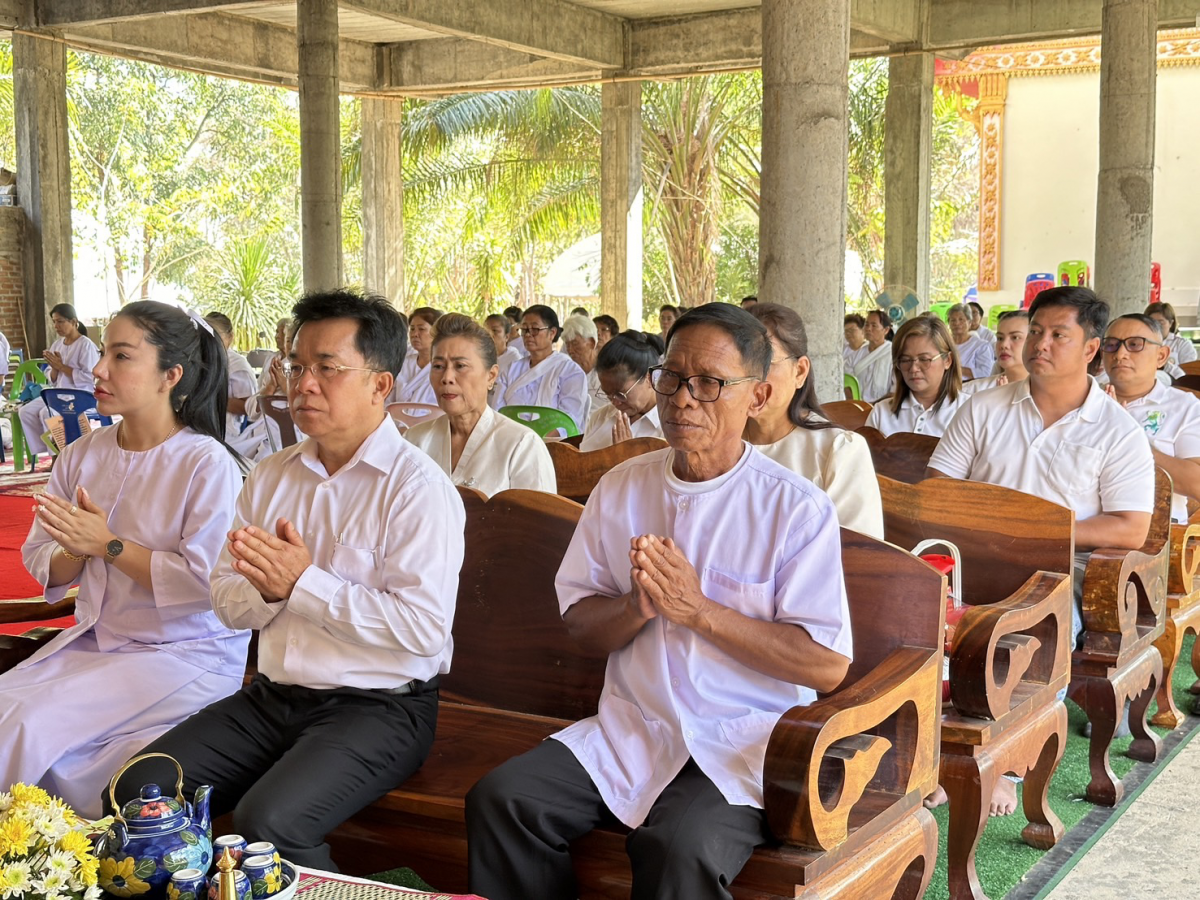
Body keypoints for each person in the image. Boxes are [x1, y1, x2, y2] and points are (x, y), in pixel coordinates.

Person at [466, 303, 852, 900]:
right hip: (633, 730)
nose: (682, 399)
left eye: (710, 384)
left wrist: (698, 610)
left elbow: (826, 664)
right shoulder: (622, 488)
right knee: (504, 801)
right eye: (671, 378)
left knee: (678, 848)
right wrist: (636, 608)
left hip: (742, 741)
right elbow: (580, 624)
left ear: (758, 396)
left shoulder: (793, 507)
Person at [126, 289, 464, 870]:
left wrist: (303, 583)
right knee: (140, 791)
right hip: (272, 699)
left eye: (327, 369)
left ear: (381, 386)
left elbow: (423, 631)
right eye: (297, 366)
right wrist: (267, 589)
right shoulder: (270, 476)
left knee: (270, 825)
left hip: (379, 708)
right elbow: (227, 602)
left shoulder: (416, 488)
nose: (303, 384)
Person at [1, 301, 247, 818]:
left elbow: (208, 587)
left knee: (27, 721)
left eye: (121, 356)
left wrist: (108, 545)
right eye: (104, 352)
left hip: (183, 653)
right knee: (9, 706)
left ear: (170, 376)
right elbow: (45, 557)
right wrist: (77, 545)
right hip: (97, 641)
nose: (98, 369)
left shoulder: (206, 464)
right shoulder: (82, 454)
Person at [928, 286, 1155, 815]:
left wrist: (1040, 530)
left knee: (1033, 631)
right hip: (972, 554)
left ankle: (1008, 763)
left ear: (1091, 349)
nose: (1040, 344)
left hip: (1059, 566)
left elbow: (1129, 527)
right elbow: (938, 493)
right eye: (1037, 332)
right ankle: (935, 753)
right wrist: (991, 531)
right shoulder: (983, 409)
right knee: (914, 613)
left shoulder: (1117, 431)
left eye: (1059, 335)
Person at [742, 303, 883, 537]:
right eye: (738, 363)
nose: (749, 377)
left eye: (765, 363)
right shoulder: (716, 441)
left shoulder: (837, 451)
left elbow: (857, 557)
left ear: (799, 371)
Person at [407, 313, 556, 496]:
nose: (446, 378)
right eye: (438, 366)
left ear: (491, 376)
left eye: (460, 366)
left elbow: (539, 523)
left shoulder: (521, 445)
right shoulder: (414, 441)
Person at [1103, 313, 1200, 524]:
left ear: (1161, 356)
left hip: (1158, 534)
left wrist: (1128, 438)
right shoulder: (1087, 400)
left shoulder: (1185, 407)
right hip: (1086, 524)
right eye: (1111, 345)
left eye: (1135, 344)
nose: (1120, 354)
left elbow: (1196, 484)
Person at [18, 303, 100, 457]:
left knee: (47, 412)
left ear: (74, 322)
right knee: (25, 411)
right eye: (54, 321)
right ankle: (46, 450)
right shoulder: (57, 344)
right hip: (58, 393)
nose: (56, 326)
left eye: (60, 321)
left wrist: (62, 367)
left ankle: (57, 456)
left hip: (80, 395)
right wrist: (55, 368)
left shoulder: (86, 345)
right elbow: (51, 376)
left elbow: (90, 377)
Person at [494, 305, 590, 433]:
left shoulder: (570, 371)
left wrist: (536, 443)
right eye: (524, 329)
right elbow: (497, 413)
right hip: (511, 440)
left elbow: (568, 421)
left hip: (552, 444)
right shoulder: (511, 369)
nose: (528, 335)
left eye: (535, 329)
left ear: (552, 333)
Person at [865, 316, 964, 438]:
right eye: (905, 360)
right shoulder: (881, 412)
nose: (913, 368)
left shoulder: (969, 411)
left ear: (948, 360)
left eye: (924, 359)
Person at [580, 331, 664, 452]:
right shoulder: (600, 417)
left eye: (620, 394)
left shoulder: (668, 426)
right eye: (608, 394)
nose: (615, 402)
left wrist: (626, 457)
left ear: (649, 378)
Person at [963, 310, 1029, 395]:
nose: (1004, 345)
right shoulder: (971, 392)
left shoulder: (1046, 392)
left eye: (1015, 337)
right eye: (1000, 338)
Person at [391, 307, 441, 406]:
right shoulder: (404, 362)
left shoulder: (443, 367)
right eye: (412, 329)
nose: (414, 334)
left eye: (421, 329)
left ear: (436, 332)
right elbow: (390, 399)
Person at [849, 309, 893, 402]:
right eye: (867, 325)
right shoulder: (856, 355)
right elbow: (846, 383)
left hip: (883, 409)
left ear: (886, 330)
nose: (868, 329)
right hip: (857, 408)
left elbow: (895, 391)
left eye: (874, 325)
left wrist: (873, 407)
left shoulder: (893, 355)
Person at [946, 303, 995, 380]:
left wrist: (956, 369)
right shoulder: (944, 343)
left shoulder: (981, 346)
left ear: (969, 322)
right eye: (953, 320)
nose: (957, 323)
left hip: (969, 388)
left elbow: (986, 372)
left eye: (961, 319)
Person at [562, 314, 603, 404]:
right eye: (567, 344)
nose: (570, 350)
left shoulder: (606, 373)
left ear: (592, 343)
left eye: (575, 343)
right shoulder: (566, 374)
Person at [1145, 301, 1197, 371]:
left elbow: (1188, 373)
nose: (1156, 326)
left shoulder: (1182, 344)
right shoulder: (1140, 342)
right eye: (1152, 322)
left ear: (1171, 323)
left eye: (1161, 322)